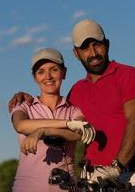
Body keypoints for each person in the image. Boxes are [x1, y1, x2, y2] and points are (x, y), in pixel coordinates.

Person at [9, 19, 135, 192]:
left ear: (107, 44)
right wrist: (25, 96)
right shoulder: (76, 91)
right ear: (76, 53)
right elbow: (71, 126)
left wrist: (116, 167)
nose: (92, 52)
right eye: (84, 48)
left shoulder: (128, 75)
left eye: (97, 44)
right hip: (90, 179)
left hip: (126, 174)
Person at [10, 48, 95, 192]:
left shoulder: (73, 110)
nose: (48, 76)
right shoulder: (24, 106)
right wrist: (67, 124)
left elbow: (80, 133)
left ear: (64, 73)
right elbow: (21, 125)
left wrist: (44, 131)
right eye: (41, 71)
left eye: (54, 69)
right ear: (35, 77)